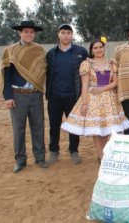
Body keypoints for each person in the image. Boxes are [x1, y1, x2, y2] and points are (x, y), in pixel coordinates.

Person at [61, 39, 129, 161]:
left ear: (104, 48)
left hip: (109, 98)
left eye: (100, 47)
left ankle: (105, 152)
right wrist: (84, 103)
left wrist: (102, 89)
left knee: (107, 127)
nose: (98, 50)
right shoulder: (86, 64)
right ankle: (100, 154)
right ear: (91, 50)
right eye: (95, 48)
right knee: (97, 128)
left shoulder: (111, 63)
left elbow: (115, 82)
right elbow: (84, 84)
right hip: (93, 99)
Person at [0, 21, 48, 173]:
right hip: (17, 95)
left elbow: (43, 71)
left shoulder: (40, 50)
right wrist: (8, 97)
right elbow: (6, 75)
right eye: (26, 31)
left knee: (38, 127)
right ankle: (20, 160)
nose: (29, 34)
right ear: (20, 33)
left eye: (31, 32)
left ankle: (40, 158)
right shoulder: (10, 50)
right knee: (18, 129)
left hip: (35, 94)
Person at [46, 24, 88, 165]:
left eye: (68, 33)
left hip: (74, 96)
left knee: (74, 125)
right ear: (58, 34)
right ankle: (53, 151)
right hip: (54, 96)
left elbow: (89, 70)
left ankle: (74, 151)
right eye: (63, 32)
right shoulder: (51, 54)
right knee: (54, 125)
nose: (65, 35)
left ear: (72, 35)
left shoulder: (81, 52)